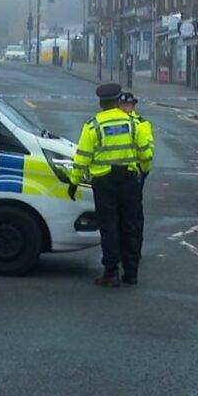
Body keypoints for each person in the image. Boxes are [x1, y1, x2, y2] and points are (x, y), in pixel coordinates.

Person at [71, 83, 153, 287]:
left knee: (109, 228)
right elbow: (145, 153)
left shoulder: (93, 126)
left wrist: (74, 181)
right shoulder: (134, 124)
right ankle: (131, 273)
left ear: (100, 103)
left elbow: (82, 158)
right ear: (118, 101)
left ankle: (111, 272)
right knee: (130, 226)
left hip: (104, 184)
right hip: (129, 182)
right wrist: (143, 170)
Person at [119, 91, 154, 256]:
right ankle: (122, 247)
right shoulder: (114, 121)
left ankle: (134, 249)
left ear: (133, 106)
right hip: (118, 171)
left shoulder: (142, 124)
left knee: (134, 213)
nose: (125, 107)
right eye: (123, 104)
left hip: (135, 173)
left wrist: (143, 172)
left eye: (128, 105)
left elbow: (148, 151)